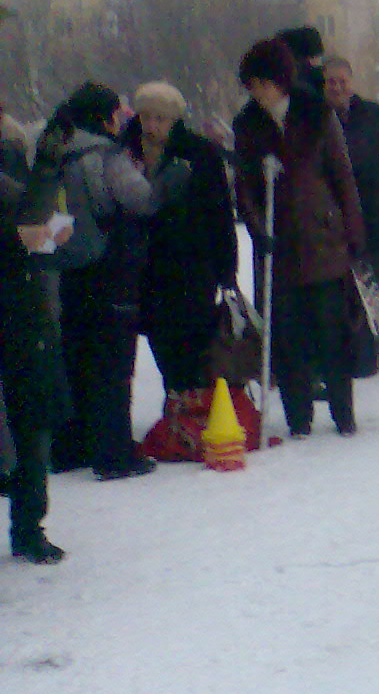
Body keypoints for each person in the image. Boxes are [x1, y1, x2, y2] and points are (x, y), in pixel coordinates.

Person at [44, 82, 191, 480]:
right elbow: (141, 199)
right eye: (118, 112)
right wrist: (172, 177)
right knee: (112, 365)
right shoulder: (104, 155)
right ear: (105, 116)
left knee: (76, 360)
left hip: (66, 269)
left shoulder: (53, 151)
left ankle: (72, 446)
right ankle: (114, 454)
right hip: (109, 271)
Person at [234, 38, 366, 439]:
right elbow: (244, 187)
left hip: (323, 240)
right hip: (279, 248)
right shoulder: (248, 125)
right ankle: (298, 415)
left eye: (263, 83)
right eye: (252, 85)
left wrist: (353, 231)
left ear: (280, 81)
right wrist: (258, 229)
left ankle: (343, 411)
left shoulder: (316, 114)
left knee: (332, 331)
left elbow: (342, 175)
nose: (258, 92)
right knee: (289, 336)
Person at [123, 82, 238, 399]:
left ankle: (191, 404)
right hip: (147, 268)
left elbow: (220, 214)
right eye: (146, 117)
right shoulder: (125, 153)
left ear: (174, 120)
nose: (152, 125)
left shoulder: (199, 154)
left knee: (193, 343)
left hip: (192, 266)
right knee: (161, 342)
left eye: (160, 118)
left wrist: (227, 266)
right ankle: (178, 401)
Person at [1, 117, 74, 561]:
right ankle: (28, 526)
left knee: (32, 426)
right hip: (24, 311)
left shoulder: (14, 162)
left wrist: (46, 174)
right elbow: (30, 223)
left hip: (24, 313)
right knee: (30, 427)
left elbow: (36, 224)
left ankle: (29, 525)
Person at [325, 55, 379, 373]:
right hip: (333, 224)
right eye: (330, 82)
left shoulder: (372, 115)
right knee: (342, 294)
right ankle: (353, 356)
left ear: (351, 82)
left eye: (342, 81)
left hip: (374, 218)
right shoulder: (316, 119)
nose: (337, 87)